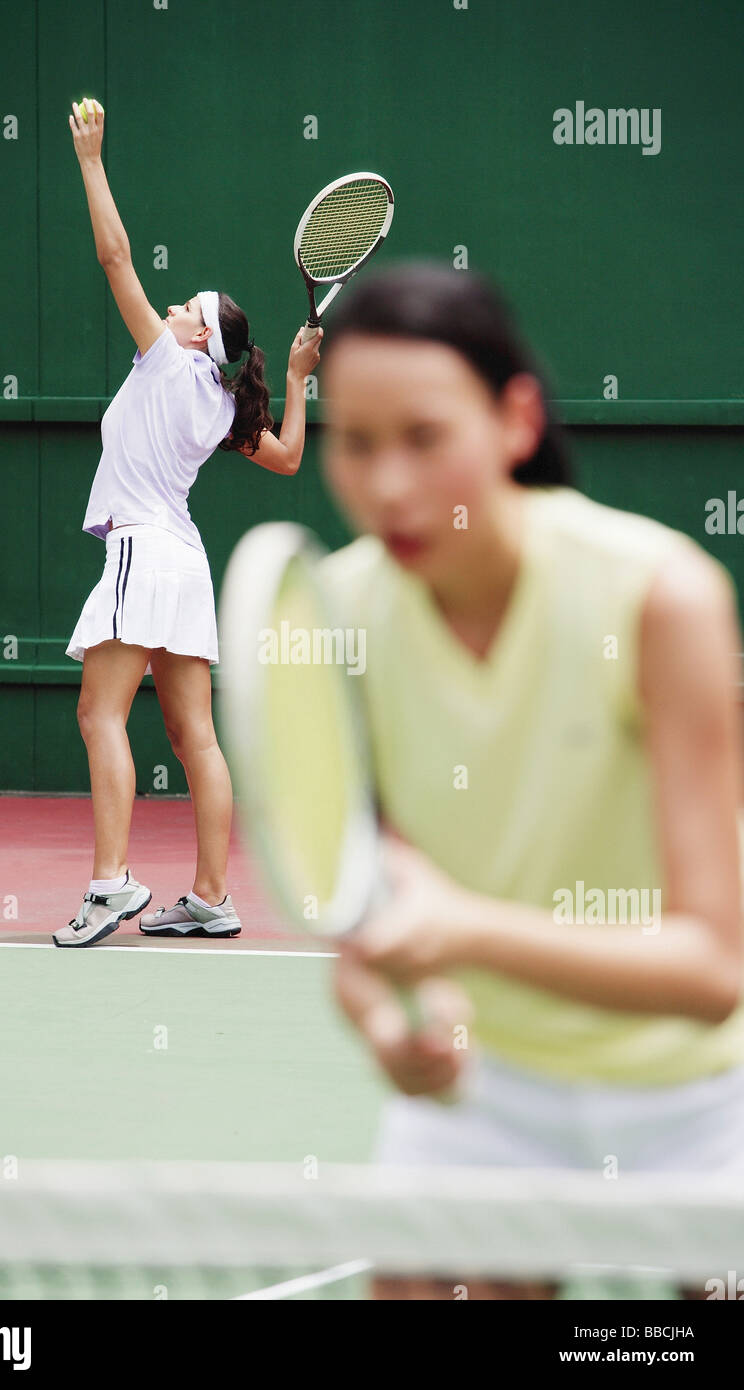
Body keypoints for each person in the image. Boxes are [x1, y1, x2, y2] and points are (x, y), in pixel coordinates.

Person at [317, 260, 744, 1299]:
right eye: (355, 443)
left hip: (702, 1098)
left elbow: (714, 964)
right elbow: (369, 915)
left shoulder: (658, 596)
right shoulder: (335, 615)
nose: (388, 487)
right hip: (488, 1096)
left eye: (423, 438)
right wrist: (386, 1023)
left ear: (515, 419)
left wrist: (463, 933)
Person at [54, 100, 322, 948]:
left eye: (186, 306)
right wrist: (298, 377)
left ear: (198, 334)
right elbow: (286, 460)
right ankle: (211, 897)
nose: (169, 305)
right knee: (193, 734)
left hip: (145, 555)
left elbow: (114, 257)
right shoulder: (218, 399)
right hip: (185, 565)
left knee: (100, 715)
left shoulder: (169, 364)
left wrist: (92, 160)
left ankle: (109, 886)